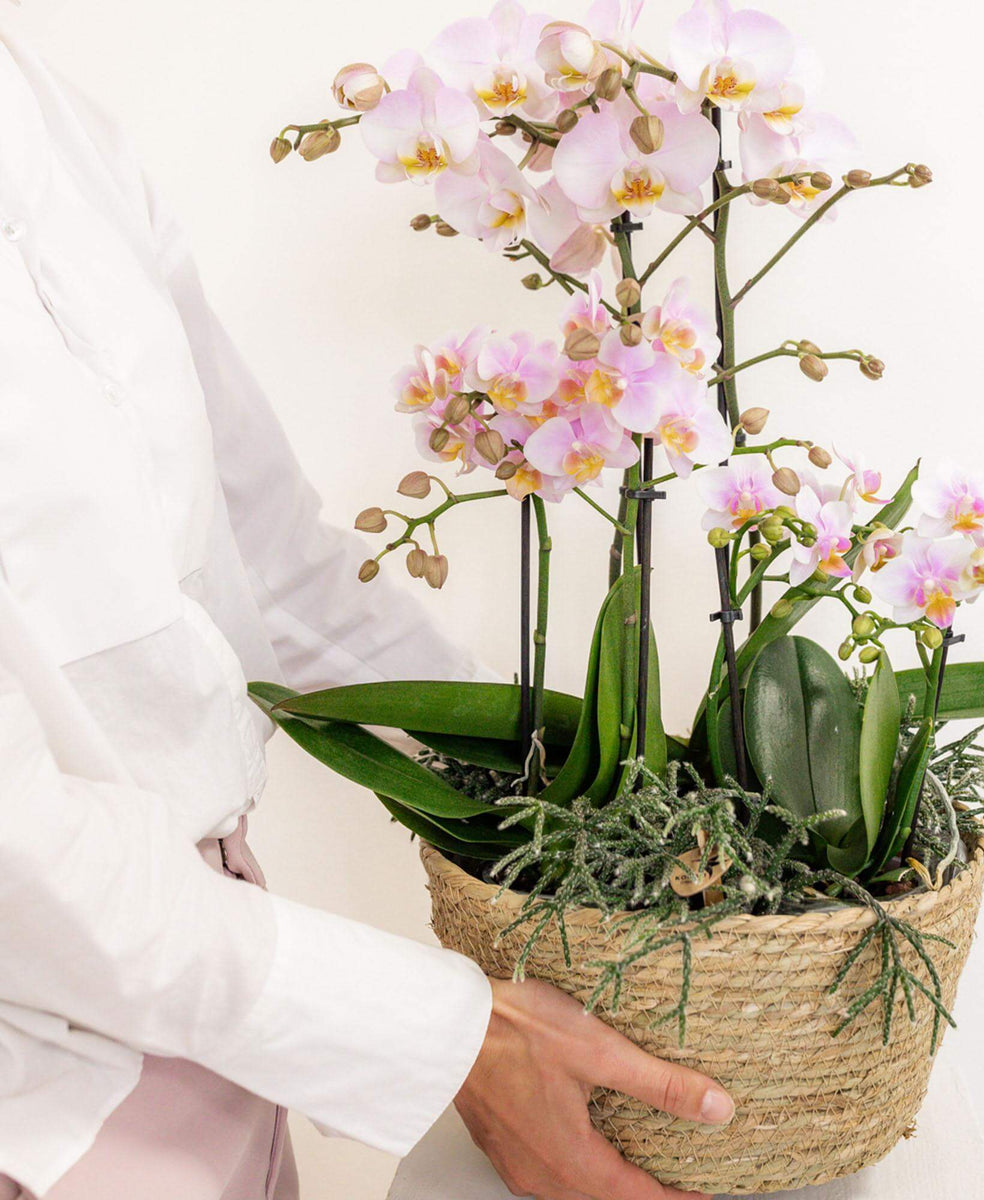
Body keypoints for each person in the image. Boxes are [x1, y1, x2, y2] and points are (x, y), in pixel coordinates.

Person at [0, 14, 734, 1200]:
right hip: (43, 1097)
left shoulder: (46, 114)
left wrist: (596, 810)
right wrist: (447, 1041)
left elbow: (271, 557)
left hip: (218, 1009)